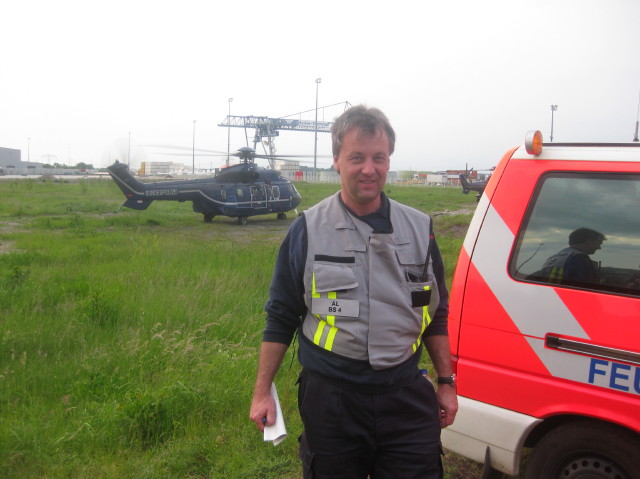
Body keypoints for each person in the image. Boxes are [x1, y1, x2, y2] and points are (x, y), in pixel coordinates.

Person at [249, 105, 457, 479]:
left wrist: (446, 382)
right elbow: (281, 314)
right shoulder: (309, 229)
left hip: (405, 394)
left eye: (379, 157)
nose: (369, 169)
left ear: (389, 160)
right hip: (333, 400)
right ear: (337, 161)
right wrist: (262, 391)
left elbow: (434, 313)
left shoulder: (419, 228)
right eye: (356, 157)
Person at [538, 227, 606, 284]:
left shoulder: (553, 258)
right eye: (599, 243)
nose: (599, 247)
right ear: (589, 241)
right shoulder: (580, 259)